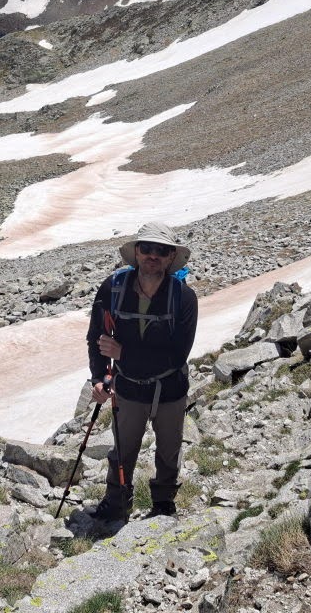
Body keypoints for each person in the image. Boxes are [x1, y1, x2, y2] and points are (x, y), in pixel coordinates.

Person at [87, 222, 198, 521]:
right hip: (129, 388)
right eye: (146, 248)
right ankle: (117, 502)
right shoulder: (113, 288)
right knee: (122, 451)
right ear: (135, 252)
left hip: (170, 390)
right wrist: (99, 378)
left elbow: (177, 355)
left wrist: (124, 354)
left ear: (171, 257)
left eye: (161, 251)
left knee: (169, 450)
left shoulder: (184, 298)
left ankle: (163, 503)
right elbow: (97, 335)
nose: (153, 255)